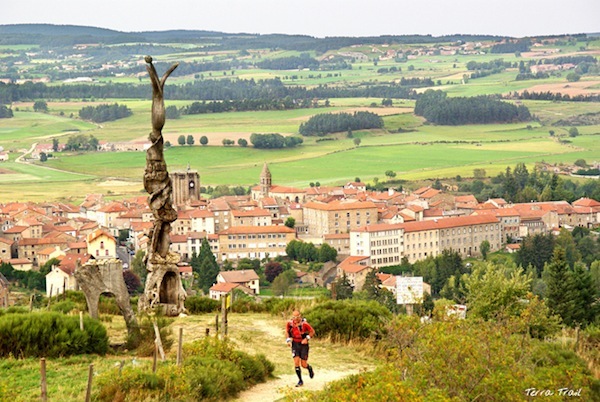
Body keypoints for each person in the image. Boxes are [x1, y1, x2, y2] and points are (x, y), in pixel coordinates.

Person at [286, 310, 315, 387]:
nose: (295, 318)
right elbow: (287, 332)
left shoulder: (304, 324)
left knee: (303, 364)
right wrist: (288, 340)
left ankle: (309, 368)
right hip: (295, 344)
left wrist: (307, 338)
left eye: (297, 317)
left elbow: (312, 331)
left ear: (300, 316)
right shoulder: (290, 324)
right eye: (294, 317)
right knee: (296, 362)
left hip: (303, 345)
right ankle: (300, 380)